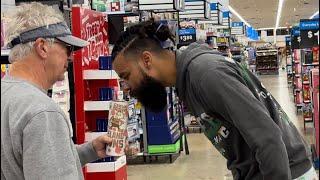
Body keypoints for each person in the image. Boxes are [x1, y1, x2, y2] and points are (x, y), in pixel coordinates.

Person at [111, 19, 318, 180]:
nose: (126, 87)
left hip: (288, 173)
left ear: (147, 60)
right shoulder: (188, 78)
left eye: (126, 76)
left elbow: (268, 138)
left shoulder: (206, 75)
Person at [1, 3, 112, 179]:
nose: (71, 56)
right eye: (67, 48)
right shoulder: (42, 111)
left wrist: (88, 151)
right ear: (42, 47)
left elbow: (30, 162)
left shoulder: (7, 94)